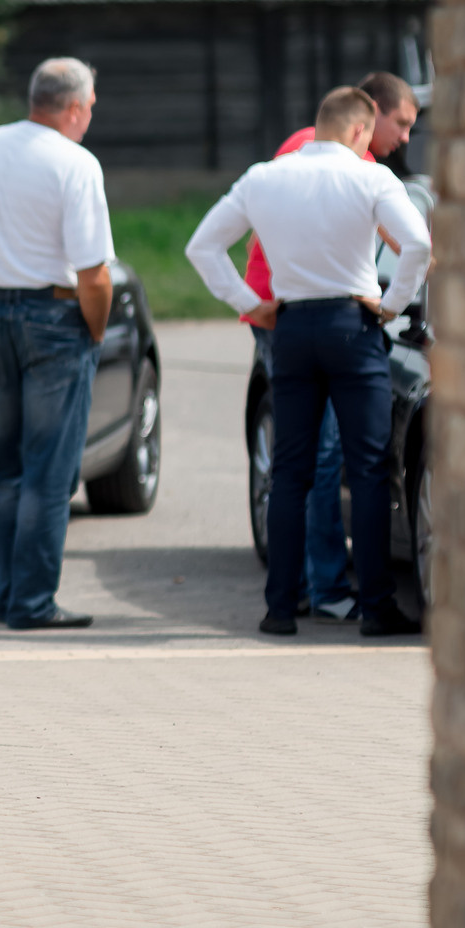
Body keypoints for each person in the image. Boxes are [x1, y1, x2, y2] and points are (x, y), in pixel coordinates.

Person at [185, 86, 432, 639]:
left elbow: (202, 246)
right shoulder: (370, 177)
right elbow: (415, 244)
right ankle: (376, 607)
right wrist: (391, 305)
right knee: (368, 471)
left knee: (290, 472)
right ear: (359, 131)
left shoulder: (265, 176)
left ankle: (279, 609)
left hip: (291, 327)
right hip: (354, 327)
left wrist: (250, 304)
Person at [0, 57, 115, 631]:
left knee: (7, 464)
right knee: (50, 468)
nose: (90, 116)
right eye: (89, 106)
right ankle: (34, 603)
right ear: (71, 107)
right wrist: (93, 329)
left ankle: (9, 596)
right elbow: (94, 274)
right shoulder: (75, 163)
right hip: (55, 316)